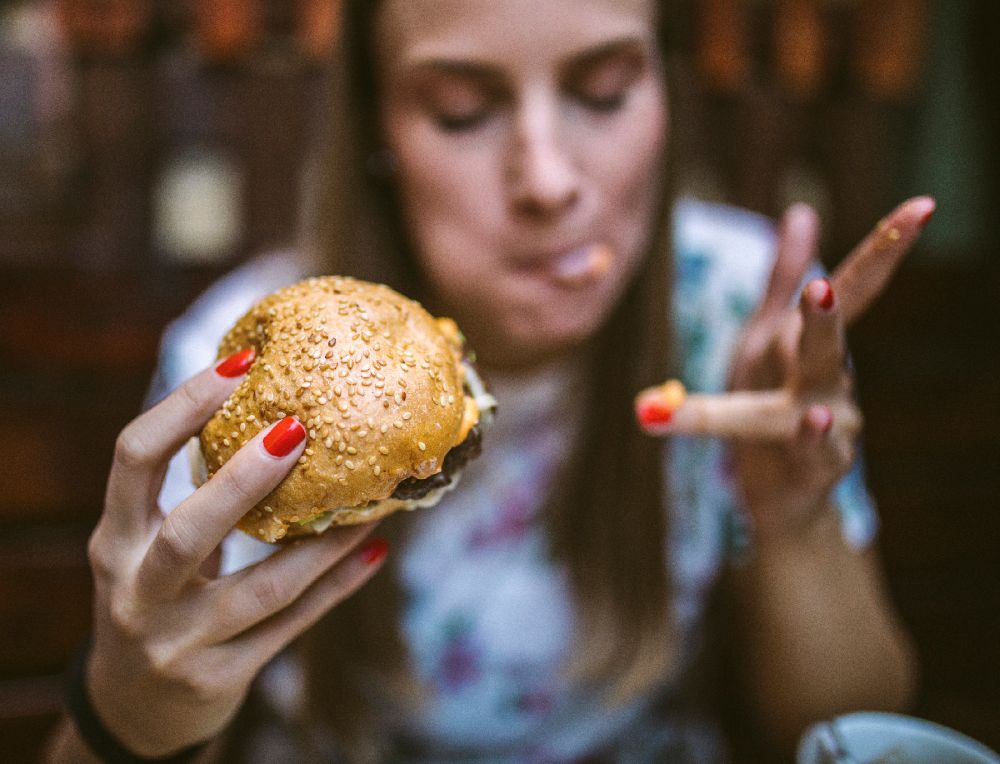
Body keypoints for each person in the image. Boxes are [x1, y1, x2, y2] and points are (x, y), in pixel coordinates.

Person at [46, 1, 933, 761]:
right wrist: (133, 713)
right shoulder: (244, 370)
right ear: (378, 133)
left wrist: (797, 524)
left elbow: (847, 730)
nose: (547, 181)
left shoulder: (746, 312)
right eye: (463, 110)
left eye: (604, 93)